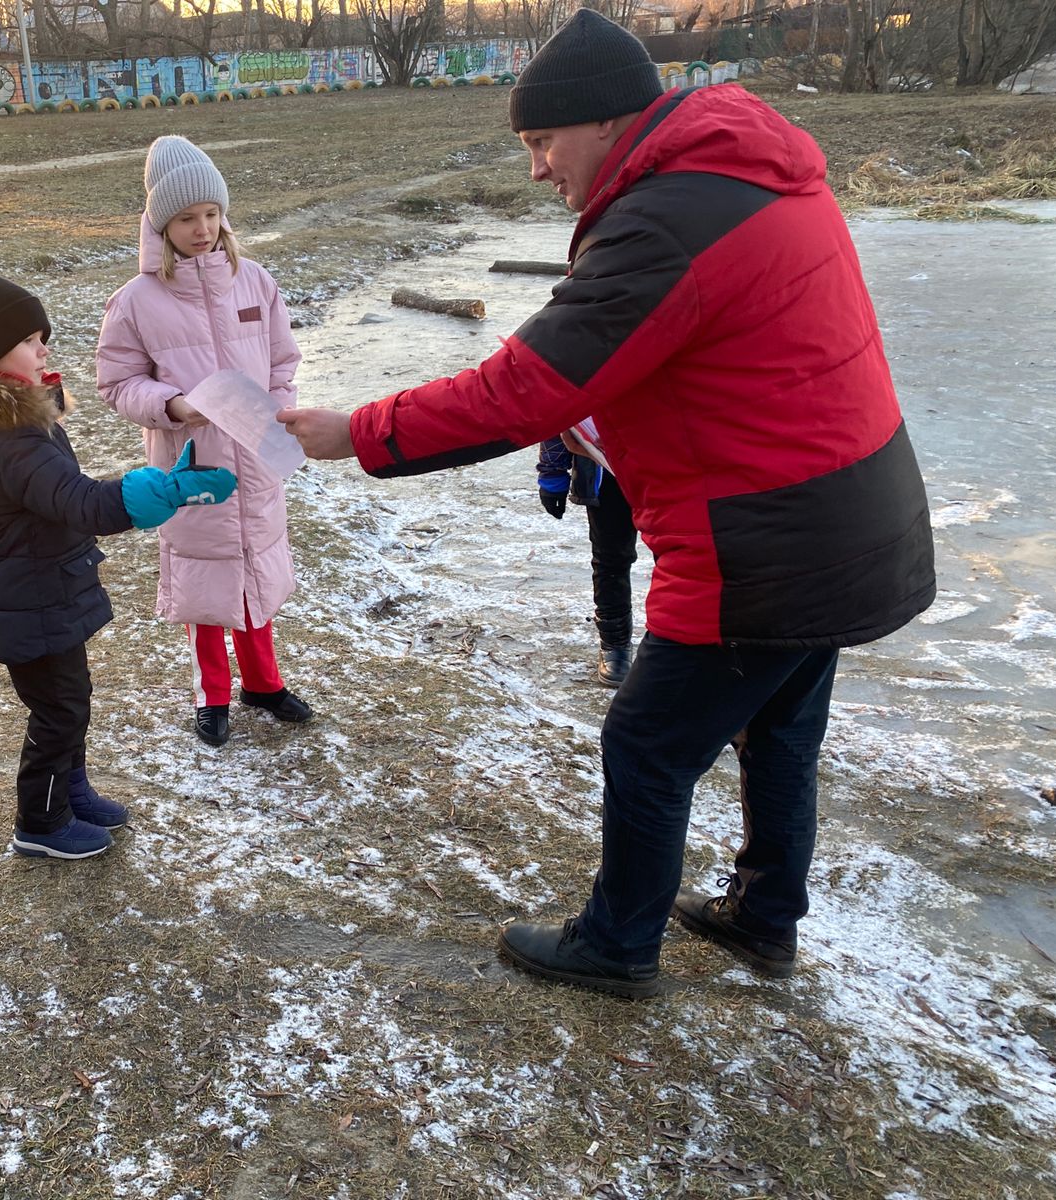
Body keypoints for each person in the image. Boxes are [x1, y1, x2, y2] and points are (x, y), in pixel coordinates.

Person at [279, 11, 935, 998]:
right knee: (780, 727)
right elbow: (710, 367)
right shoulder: (743, 175)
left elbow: (523, 390)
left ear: (606, 120)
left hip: (764, 544)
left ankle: (617, 944)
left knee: (645, 742)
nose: (537, 168)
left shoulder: (665, 217)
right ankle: (764, 917)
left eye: (543, 140)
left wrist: (358, 432)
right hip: (852, 515)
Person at [0, 272, 237, 859]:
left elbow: (58, 497)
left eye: (43, 338)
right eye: (29, 340)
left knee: (70, 699)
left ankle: (68, 792)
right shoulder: (9, 436)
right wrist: (166, 490)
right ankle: (40, 823)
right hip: (26, 598)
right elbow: (79, 503)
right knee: (58, 710)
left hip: (42, 587)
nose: (44, 350)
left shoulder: (16, 420)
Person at [96, 136, 312, 748]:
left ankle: (264, 683)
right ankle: (211, 694)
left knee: (256, 571)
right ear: (161, 225)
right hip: (191, 467)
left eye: (212, 214)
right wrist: (173, 405)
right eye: (188, 218)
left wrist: (279, 413)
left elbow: (282, 362)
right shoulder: (136, 301)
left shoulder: (255, 282)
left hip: (256, 458)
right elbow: (117, 383)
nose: (203, 229)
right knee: (204, 583)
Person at [537, 433, 640, 685]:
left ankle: (682, 639)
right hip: (605, 465)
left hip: (676, 463)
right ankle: (615, 641)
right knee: (611, 555)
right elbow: (561, 413)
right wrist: (552, 470)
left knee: (682, 552)